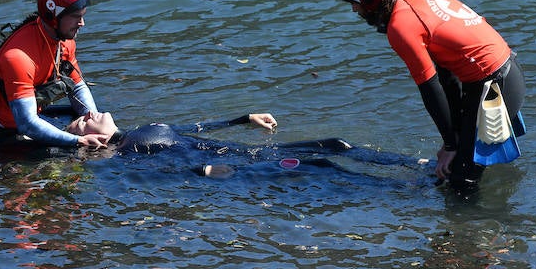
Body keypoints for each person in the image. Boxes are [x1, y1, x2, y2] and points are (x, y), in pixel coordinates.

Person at [336, 0, 526, 194]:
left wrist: (450, 145)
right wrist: (454, 138)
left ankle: (473, 228)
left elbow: (430, 87)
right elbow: (447, 75)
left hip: (494, 86)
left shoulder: (400, 27)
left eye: (354, 2)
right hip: (502, 73)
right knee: (456, 169)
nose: (354, 9)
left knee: (460, 184)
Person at [65, 110, 420, 178]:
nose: (87, 114)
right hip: (246, 164)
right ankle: (406, 187)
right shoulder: (128, 152)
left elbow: (195, 127)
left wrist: (242, 119)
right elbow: (167, 167)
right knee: (325, 165)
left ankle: (415, 165)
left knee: (335, 144)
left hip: (247, 151)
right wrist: (203, 171)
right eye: (81, 121)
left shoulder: (144, 128)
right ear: (92, 141)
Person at [0, 0, 107, 149]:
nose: (82, 23)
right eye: (76, 17)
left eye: (83, 16)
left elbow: (77, 87)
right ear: (53, 16)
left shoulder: (64, 42)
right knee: (72, 153)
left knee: (94, 122)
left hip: (29, 117)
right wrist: (78, 141)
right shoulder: (18, 58)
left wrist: (92, 120)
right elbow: (27, 124)